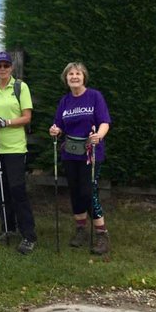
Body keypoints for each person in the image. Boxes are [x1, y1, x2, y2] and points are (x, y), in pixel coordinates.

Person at [49, 61, 112, 255]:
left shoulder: (94, 96)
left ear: (84, 76)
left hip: (90, 153)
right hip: (70, 153)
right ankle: (80, 230)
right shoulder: (65, 101)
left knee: (88, 191)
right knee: (75, 192)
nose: (74, 77)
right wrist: (55, 130)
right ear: (66, 79)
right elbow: (58, 124)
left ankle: (102, 234)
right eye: (70, 74)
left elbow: (104, 122)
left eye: (78, 73)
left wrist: (99, 136)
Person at [0, 49, 36, 255]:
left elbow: (26, 117)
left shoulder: (20, 87)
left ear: (11, 67)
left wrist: (5, 122)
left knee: (17, 189)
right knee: (0, 190)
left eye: (5, 65)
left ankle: (28, 235)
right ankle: (8, 227)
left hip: (14, 147)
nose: (2, 69)